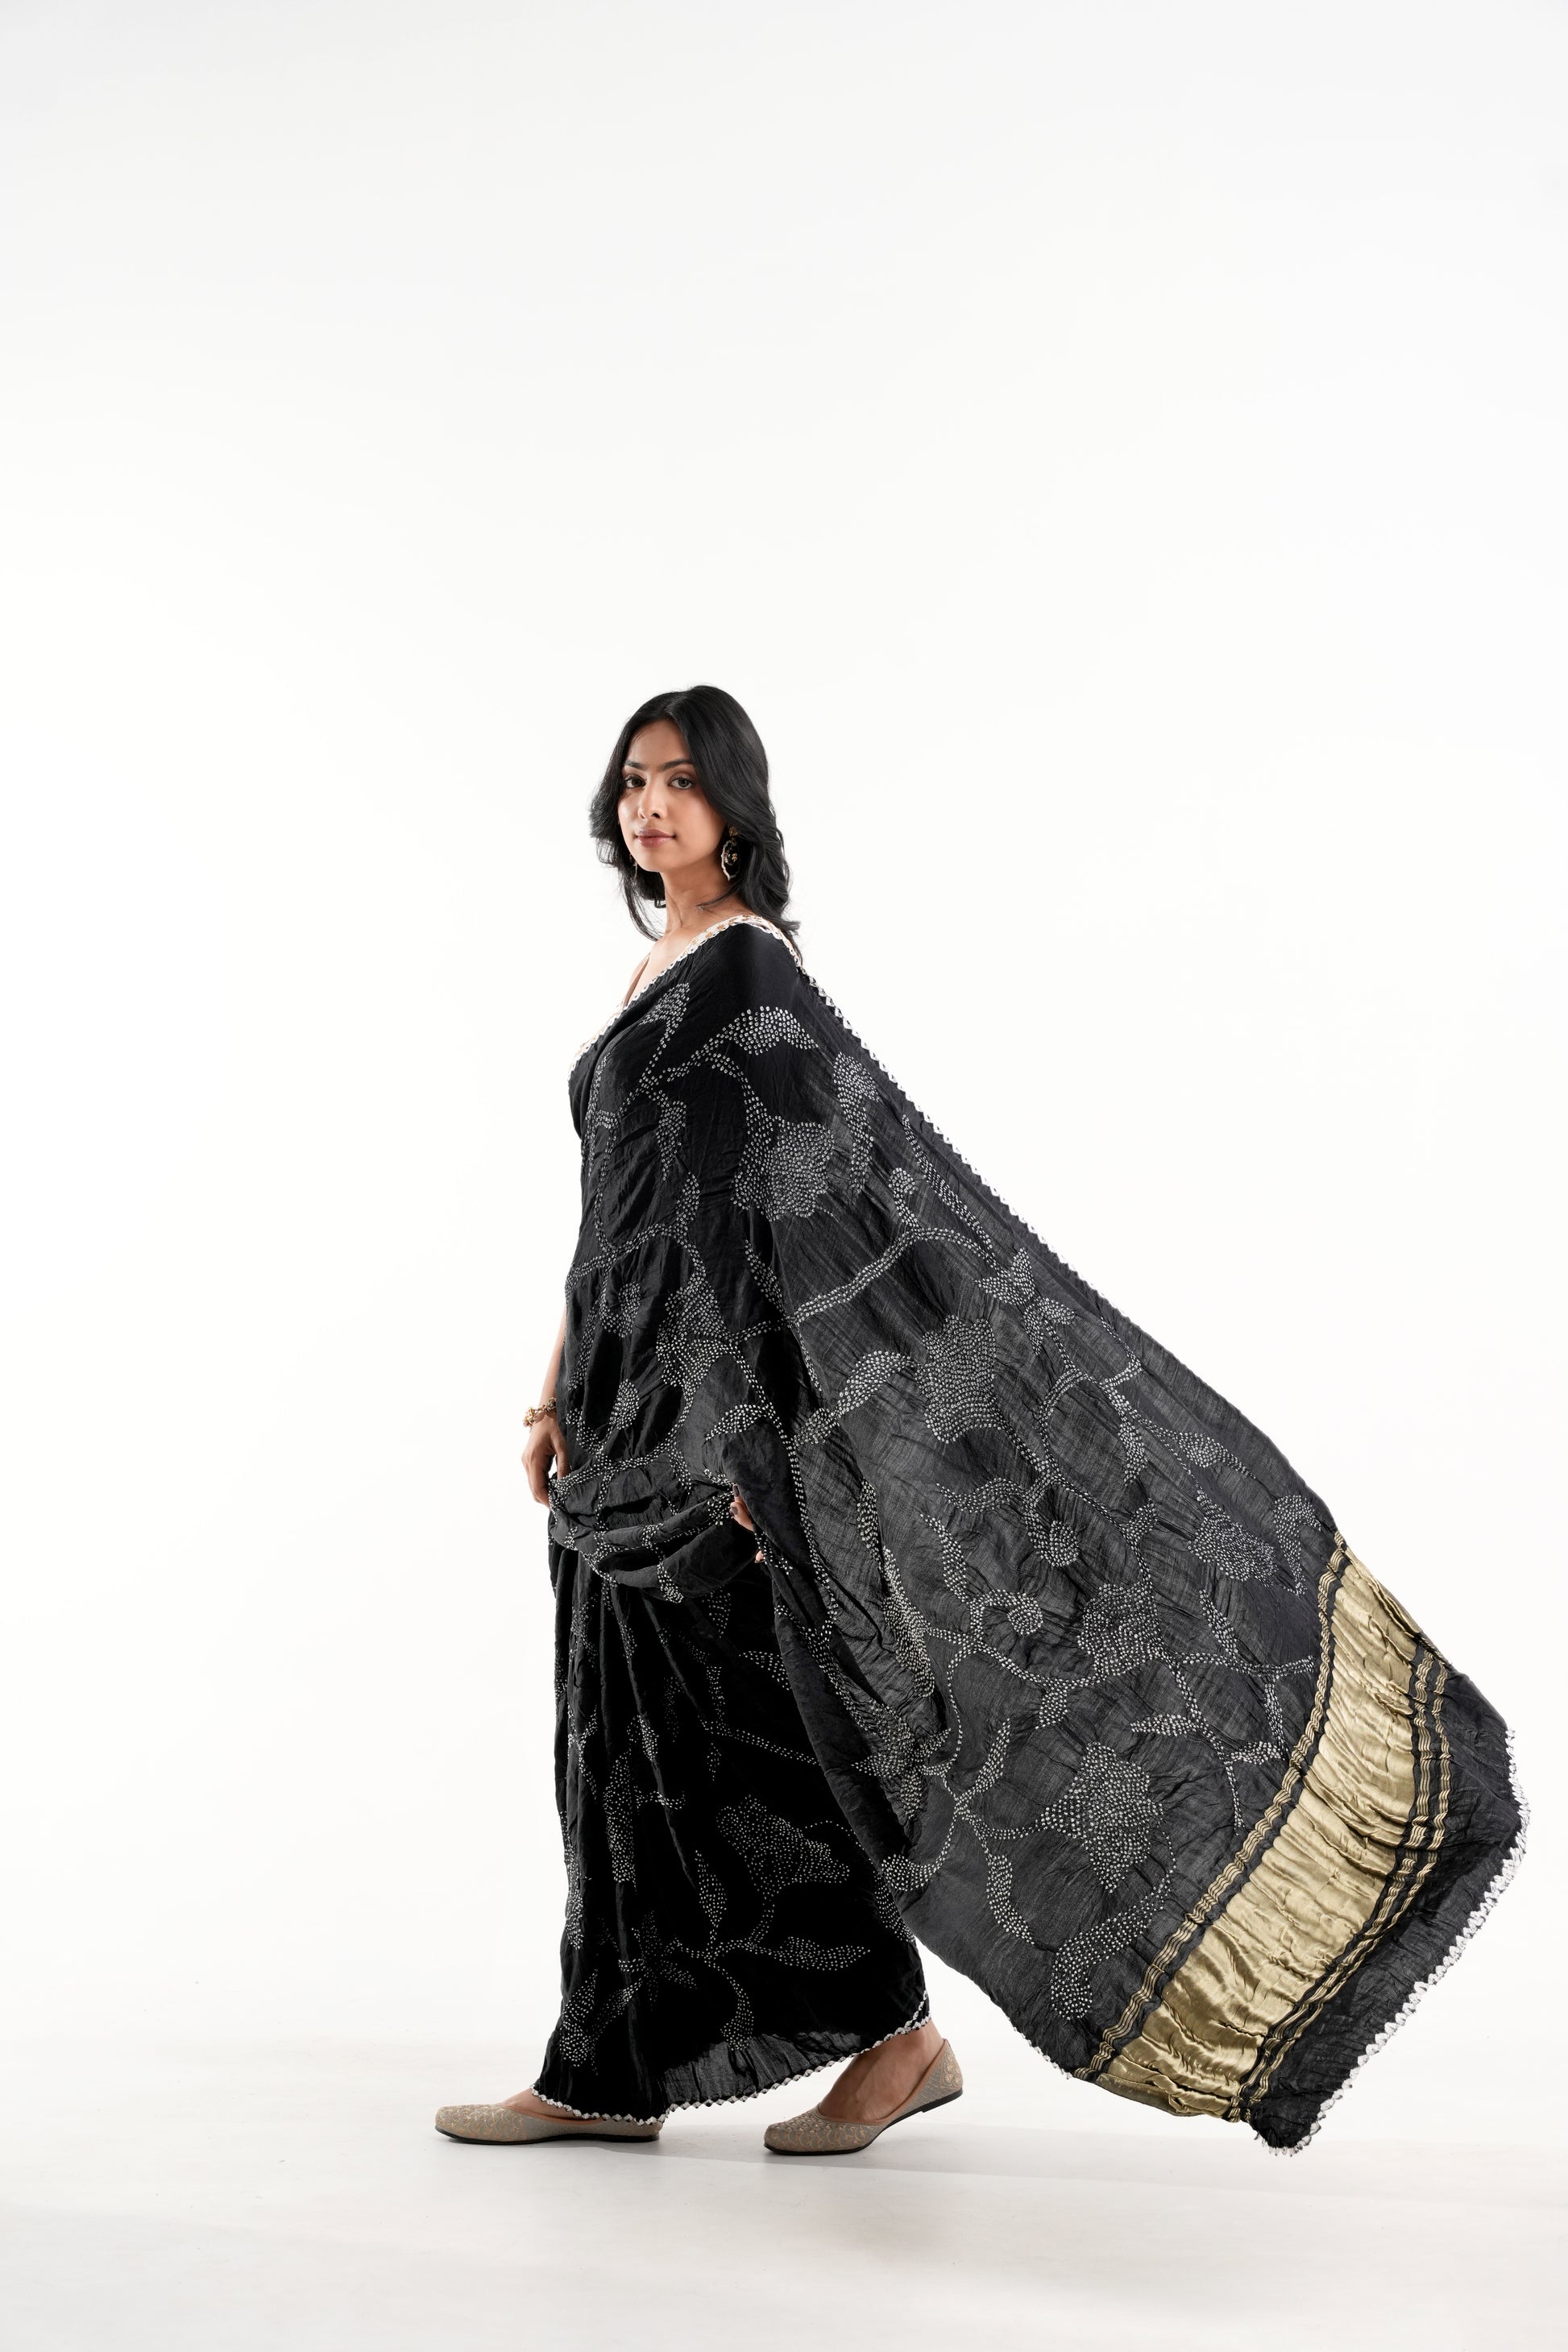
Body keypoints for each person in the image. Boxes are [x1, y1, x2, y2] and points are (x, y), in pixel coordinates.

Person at [437, 685, 1522, 2158]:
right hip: (620, 1410)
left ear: (735, 804)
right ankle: (622, 2065)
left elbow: (810, 1212)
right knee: (635, 1731)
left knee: (755, 1722)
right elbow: (614, 1213)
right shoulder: (649, 972)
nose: (650, 806)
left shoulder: (748, 971)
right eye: (633, 780)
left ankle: (871, 2043)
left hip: (710, 1424)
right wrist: (554, 1385)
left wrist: (761, 1435)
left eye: (681, 780)